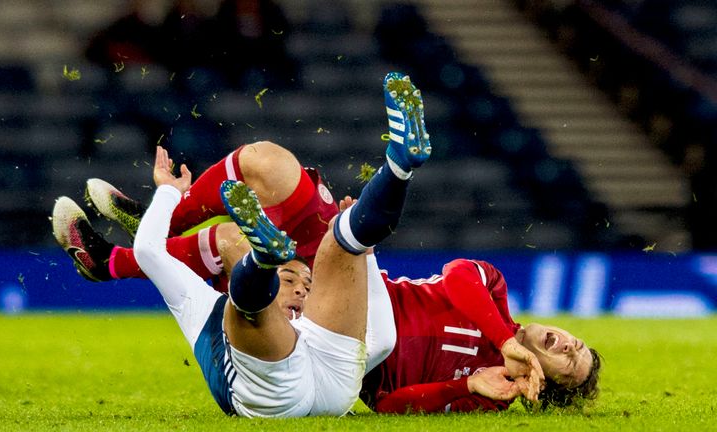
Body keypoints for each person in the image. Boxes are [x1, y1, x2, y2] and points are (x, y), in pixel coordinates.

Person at [53, 72, 436, 417]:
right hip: (335, 379)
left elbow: (152, 253)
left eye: (299, 284)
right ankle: (399, 166)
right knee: (346, 238)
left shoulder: (206, 310)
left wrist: (168, 195)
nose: (302, 287)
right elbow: (383, 341)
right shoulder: (330, 323)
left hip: (273, 394)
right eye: (297, 282)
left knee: (247, 293)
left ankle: (259, 258)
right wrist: (362, 253)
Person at [360, 258, 602, 413]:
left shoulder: (492, 397)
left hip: (355, 365)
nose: (570, 346)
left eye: (570, 364)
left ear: (542, 383)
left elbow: (387, 405)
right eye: (577, 344)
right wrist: (504, 342)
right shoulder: (494, 291)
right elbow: (456, 273)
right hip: (361, 295)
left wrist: (468, 384)